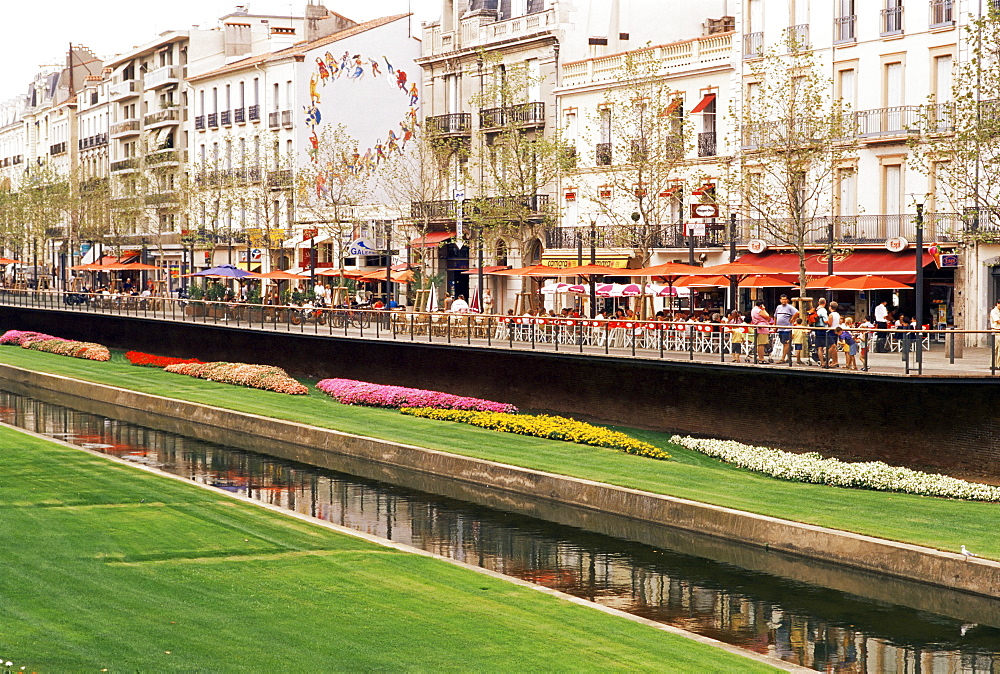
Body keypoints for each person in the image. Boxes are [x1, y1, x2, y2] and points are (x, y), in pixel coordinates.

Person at [773, 294, 799, 364]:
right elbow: (775, 316)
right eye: (782, 299)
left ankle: (782, 358)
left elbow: (797, 312)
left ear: (787, 300)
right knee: (783, 342)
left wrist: (792, 319)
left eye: (785, 299)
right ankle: (789, 358)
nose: (783, 301)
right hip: (780, 328)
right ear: (780, 300)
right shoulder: (778, 307)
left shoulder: (789, 307)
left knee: (786, 343)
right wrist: (775, 326)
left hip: (787, 328)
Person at [813, 297, 830, 366]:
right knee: (828, 346)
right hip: (823, 329)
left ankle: (822, 362)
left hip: (817, 328)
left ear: (818, 303)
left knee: (819, 347)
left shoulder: (816, 309)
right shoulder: (823, 310)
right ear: (825, 303)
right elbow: (825, 321)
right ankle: (826, 362)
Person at [827, 301, 842, 367]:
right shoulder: (838, 314)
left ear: (830, 307)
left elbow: (830, 323)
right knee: (834, 347)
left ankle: (828, 360)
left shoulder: (831, 315)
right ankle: (835, 361)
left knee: (831, 346)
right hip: (836, 330)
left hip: (831, 330)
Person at [991, 300, 1000, 367]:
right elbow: (998, 320)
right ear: (997, 304)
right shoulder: (994, 311)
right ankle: (994, 364)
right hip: (996, 331)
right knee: (996, 348)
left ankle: (998, 364)